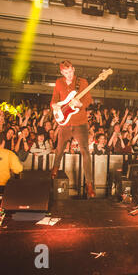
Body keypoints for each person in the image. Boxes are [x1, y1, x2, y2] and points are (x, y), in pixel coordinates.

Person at [50, 60, 95, 198]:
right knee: (59, 149)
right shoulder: (58, 82)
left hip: (80, 122)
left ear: (73, 69)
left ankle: (89, 184)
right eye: (65, 73)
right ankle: (54, 171)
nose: (68, 75)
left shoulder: (82, 82)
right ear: (62, 73)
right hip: (64, 122)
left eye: (70, 72)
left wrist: (81, 103)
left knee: (85, 151)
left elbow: (89, 100)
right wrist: (55, 106)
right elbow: (54, 99)